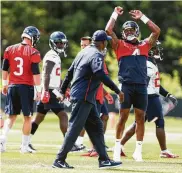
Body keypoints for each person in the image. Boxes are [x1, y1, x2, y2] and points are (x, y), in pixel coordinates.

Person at [52, 30, 124, 169]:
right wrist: (117, 90)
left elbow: (69, 73)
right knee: (74, 127)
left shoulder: (83, 52)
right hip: (84, 96)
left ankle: (104, 160)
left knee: (97, 126)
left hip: (85, 97)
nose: (106, 44)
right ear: (103, 43)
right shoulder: (96, 54)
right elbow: (99, 73)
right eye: (106, 42)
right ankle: (59, 160)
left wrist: (62, 91)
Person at [105, 6, 160, 161]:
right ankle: (117, 148)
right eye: (126, 30)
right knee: (122, 117)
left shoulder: (145, 45)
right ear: (123, 32)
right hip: (126, 86)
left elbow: (156, 31)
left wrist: (143, 17)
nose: (129, 32)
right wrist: (115, 13)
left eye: (131, 30)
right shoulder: (119, 45)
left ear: (136, 32)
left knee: (140, 118)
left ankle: (138, 151)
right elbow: (108, 30)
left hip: (142, 86)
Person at [120, 41, 179, 159]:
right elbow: (143, 82)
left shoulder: (150, 62)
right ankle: (164, 150)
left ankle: (120, 145)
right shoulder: (147, 63)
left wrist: (167, 94)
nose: (158, 51)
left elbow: (155, 84)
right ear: (150, 50)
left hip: (149, 96)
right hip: (150, 98)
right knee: (159, 123)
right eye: (156, 48)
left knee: (138, 123)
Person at [0, 26, 41, 153]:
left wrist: (5, 84)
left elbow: (5, 69)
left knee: (11, 116)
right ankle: (24, 146)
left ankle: (2, 140)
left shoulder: (9, 49)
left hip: (12, 86)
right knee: (27, 117)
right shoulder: (34, 52)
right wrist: (39, 90)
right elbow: (36, 74)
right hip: (26, 87)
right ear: (33, 38)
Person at [71, 36, 114, 154]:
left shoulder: (96, 56)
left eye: (85, 45)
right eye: (82, 45)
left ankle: (98, 147)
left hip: (98, 93)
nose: (83, 47)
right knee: (89, 122)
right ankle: (89, 146)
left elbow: (99, 79)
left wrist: (105, 93)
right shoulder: (86, 57)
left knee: (103, 117)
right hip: (90, 94)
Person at [28, 31, 69, 151]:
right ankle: (68, 144)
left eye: (62, 43)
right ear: (52, 43)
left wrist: (63, 88)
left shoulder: (55, 55)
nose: (61, 45)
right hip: (50, 90)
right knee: (63, 115)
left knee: (39, 117)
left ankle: (26, 140)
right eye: (58, 43)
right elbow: (46, 73)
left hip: (51, 89)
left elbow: (55, 76)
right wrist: (45, 91)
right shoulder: (52, 55)